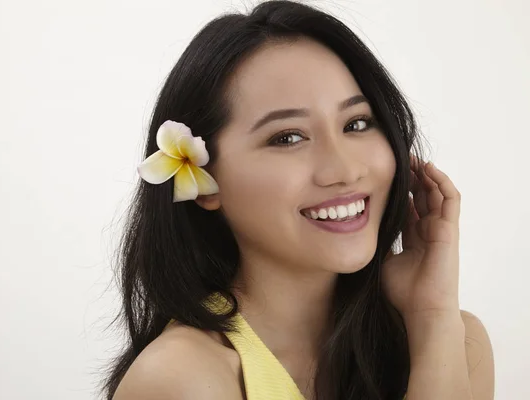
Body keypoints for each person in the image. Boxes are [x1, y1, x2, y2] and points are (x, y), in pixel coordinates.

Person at [103, 1, 494, 399]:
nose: (344, 169)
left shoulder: (456, 343)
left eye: (356, 124)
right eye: (288, 137)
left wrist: (431, 314)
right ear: (205, 183)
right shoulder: (181, 379)